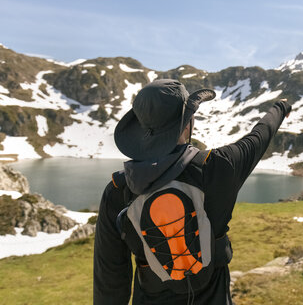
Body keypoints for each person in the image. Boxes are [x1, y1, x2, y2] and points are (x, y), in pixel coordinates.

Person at [93, 79, 291, 304]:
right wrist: (281, 108)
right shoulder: (218, 166)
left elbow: (109, 279)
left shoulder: (118, 192)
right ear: (187, 124)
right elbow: (259, 136)